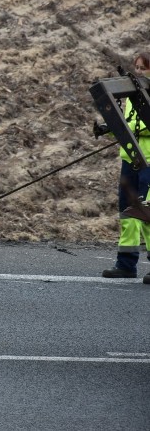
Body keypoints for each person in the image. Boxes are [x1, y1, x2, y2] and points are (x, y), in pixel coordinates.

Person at [101, 51, 150, 283]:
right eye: (137, 68)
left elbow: (142, 126)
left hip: (148, 162)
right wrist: (107, 128)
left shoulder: (144, 95)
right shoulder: (132, 95)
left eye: (144, 68)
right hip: (130, 159)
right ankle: (126, 264)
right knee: (127, 212)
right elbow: (126, 124)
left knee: (147, 213)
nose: (139, 72)